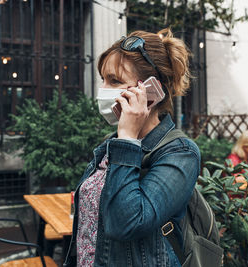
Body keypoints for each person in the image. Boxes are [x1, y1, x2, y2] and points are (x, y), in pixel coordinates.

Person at [63, 28, 200, 267]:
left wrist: (127, 137)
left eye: (114, 81)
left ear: (150, 91)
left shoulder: (180, 153)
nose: (104, 90)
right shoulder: (110, 146)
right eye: (103, 80)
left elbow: (125, 223)